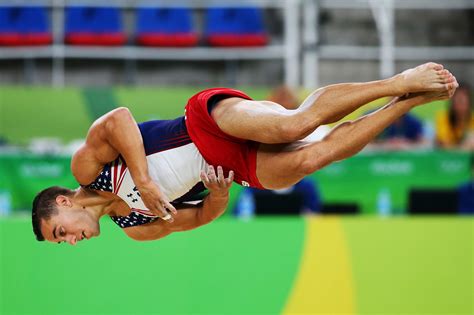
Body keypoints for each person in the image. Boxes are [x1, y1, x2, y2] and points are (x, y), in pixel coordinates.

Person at [31, 62, 458, 245]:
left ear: (63, 202)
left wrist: (142, 179)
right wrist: (217, 195)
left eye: (60, 232)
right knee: (312, 159)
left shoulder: (86, 168)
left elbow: (120, 118)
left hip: (204, 123)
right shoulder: (136, 227)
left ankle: (396, 82)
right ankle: (406, 103)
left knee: (295, 124)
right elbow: (200, 217)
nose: (71, 241)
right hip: (225, 169)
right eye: (63, 241)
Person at [435, 84, 474, 150]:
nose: (461, 106)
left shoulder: (472, 120)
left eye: (463, 102)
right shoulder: (443, 118)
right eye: (458, 101)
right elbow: (444, 143)